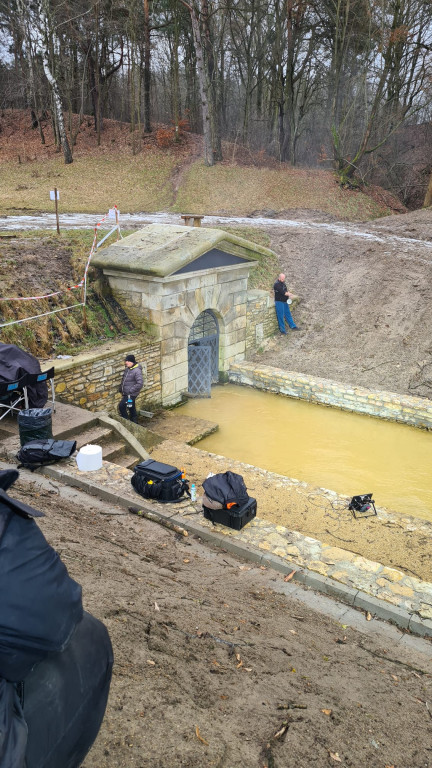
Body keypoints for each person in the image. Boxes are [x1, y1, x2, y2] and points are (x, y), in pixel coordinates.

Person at [118, 354, 143, 423]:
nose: (126, 362)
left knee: (121, 406)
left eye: (128, 361)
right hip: (126, 393)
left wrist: (131, 390)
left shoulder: (137, 371)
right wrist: (121, 388)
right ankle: (134, 422)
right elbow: (124, 380)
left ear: (132, 362)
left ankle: (126, 422)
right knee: (130, 406)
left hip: (130, 394)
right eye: (126, 361)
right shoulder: (128, 369)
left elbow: (140, 383)